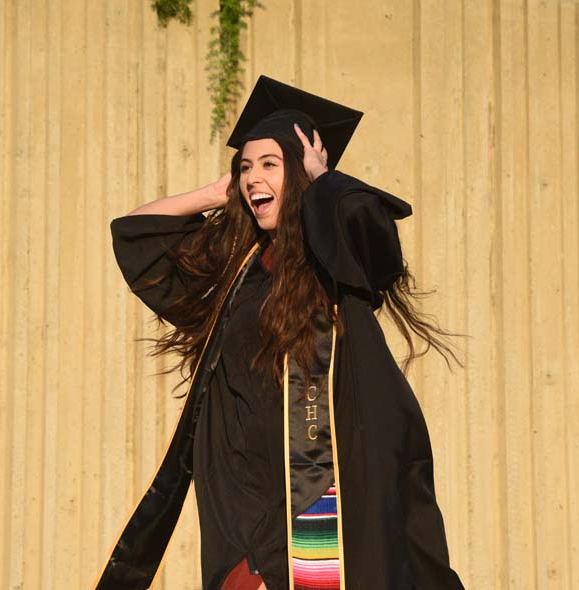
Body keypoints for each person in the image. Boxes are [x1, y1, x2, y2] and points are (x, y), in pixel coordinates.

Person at [94, 76, 464, 590]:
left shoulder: (336, 265)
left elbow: (369, 229)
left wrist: (323, 178)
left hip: (327, 508)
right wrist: (215, 191)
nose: (252, 177)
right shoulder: (238, 269)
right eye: (245, 166)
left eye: (270, 164)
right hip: (241, 514)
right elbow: (134, 233)